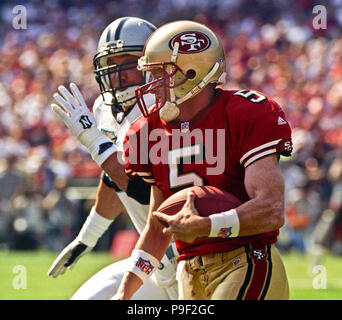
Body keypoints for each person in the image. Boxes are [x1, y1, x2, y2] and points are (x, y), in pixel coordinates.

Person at [113, 20, 294, 300]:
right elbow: (158, 228)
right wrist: (123, 294)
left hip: (244, 260)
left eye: (160, 74)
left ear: (191, 72)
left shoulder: (243, 113)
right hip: (188, 271)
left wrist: (208, 225)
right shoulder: (147, 131)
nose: (152, 85)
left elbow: (271, 209)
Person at [48, 17, 178, 300]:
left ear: (152, 63)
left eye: (127, 64)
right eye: (110, 65)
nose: (117, 75)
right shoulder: (104, 110)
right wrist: (88, 237)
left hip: (191, 262)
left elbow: (145, 192)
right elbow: (113, 178)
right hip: (154, 260)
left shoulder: (170, 110)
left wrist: (96, 143)